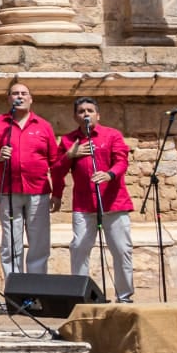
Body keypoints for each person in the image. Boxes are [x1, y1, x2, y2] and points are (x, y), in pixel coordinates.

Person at [54, 98, 133, 304]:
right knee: (79, 247)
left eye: (90, 111)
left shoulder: (112, 135)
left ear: (98, 115)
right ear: (75, 116)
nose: (86, 114)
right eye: (81, 111)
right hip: (84, 204)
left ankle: (124, 296)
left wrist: (110, 175)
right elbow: (57, 170)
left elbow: (122, 161)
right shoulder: (69, 141)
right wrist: (69, 156)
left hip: (113, 203)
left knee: (121, 249)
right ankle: (81, 295)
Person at [0, 80, 57, 280]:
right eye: (15, 93)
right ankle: (15, 287)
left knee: (39, 242)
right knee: (11, 241)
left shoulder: (43, 126)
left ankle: (37, 286)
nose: (20, 96)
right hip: (9, 191)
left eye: (24, 93)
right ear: (9, 99)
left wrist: (57, 192)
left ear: (31, 99)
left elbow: (55, 161)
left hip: (38, 191)